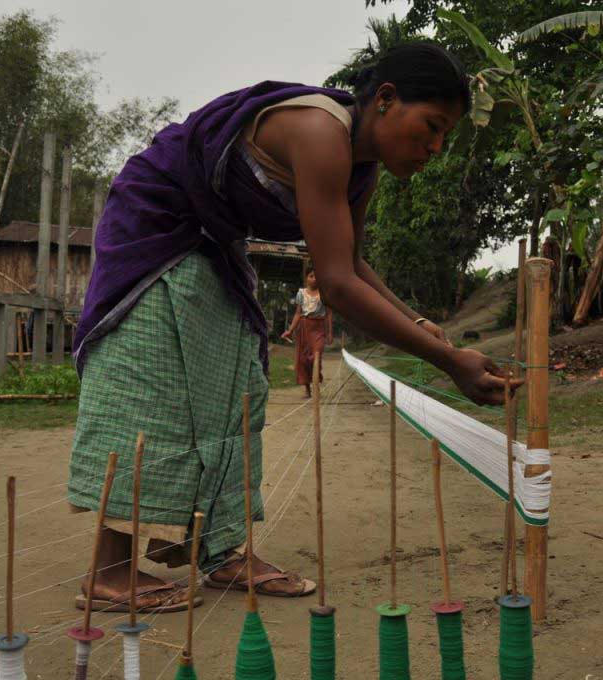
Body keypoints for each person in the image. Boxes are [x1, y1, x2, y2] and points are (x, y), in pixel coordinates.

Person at [67, 42, 518, 613]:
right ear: (385, 99)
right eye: (430, 127)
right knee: (155, 383)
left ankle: (221, 549)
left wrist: (418, 324)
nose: (433, 147)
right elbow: (335, 286)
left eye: (444, 138)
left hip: (213, 241)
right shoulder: (320, 134)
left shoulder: (361, 169)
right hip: (156, 226)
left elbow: (350, 262)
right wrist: (447, 361)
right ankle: (109, 569)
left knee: (233, 386)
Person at [281, 266, 332, 398]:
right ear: (306, 278)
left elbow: (328, 314)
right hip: (303, 329)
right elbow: (298, 313)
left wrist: (330, 333)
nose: (314, 279)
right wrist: (290, 330)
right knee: (303, 360)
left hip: (318, 329)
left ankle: (316, 387)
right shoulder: (301, 293)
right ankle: (307, 389)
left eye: (317, 276)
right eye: (311, 276)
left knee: (317, 356)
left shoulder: (324, 293)